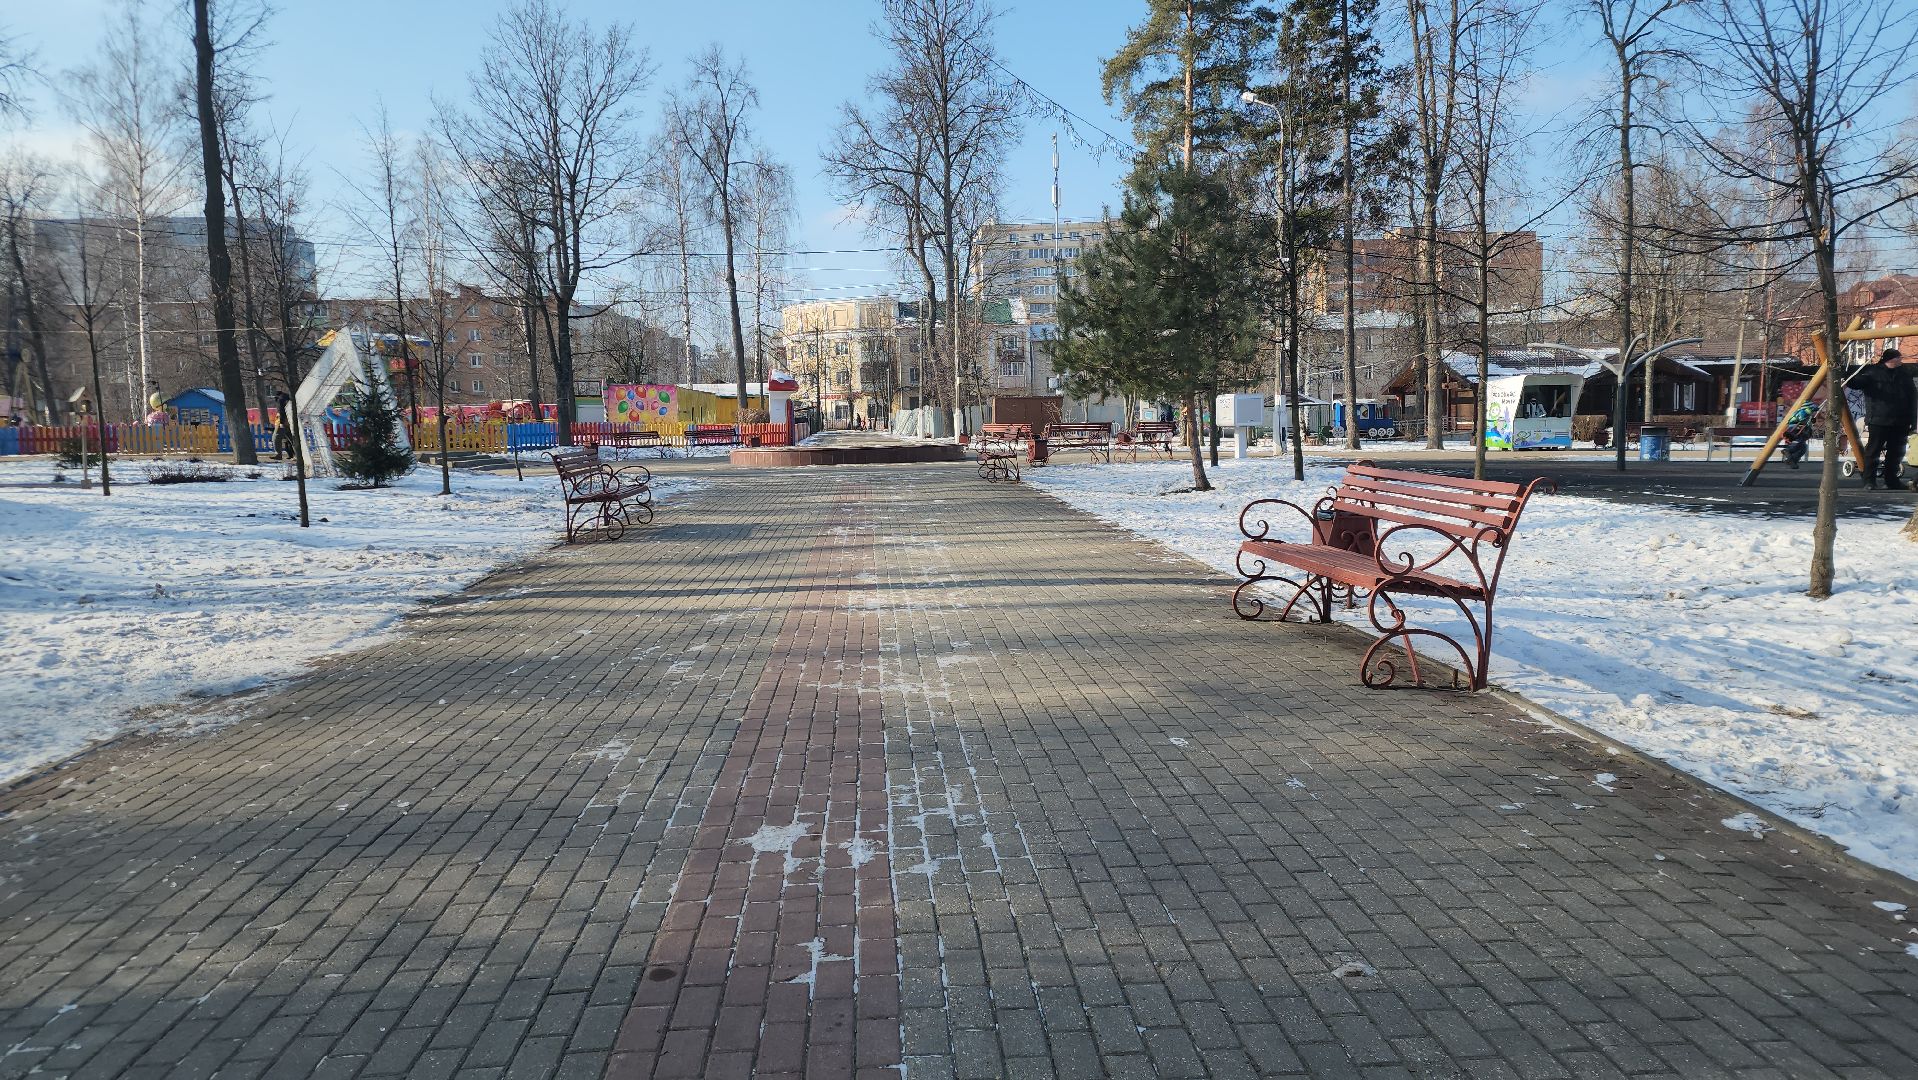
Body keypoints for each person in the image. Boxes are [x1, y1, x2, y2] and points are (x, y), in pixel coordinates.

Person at [1850, 347, 1916, 491]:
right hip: (1879, 419)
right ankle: (1869, 481)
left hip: (1901, 420)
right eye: (1898, 358)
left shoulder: (1904, 374)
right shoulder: (1873, 373)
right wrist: (1848, 375)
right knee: (1873, 451)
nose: (1901, 360)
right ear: (1891, 359)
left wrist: (1913, 421)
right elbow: (1856, 383)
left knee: (1896, 452)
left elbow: (1912, 397)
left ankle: (1891, 481)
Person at [272, 393, 296, 462]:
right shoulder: (288, 398)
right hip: (289, 421)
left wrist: (282, 422)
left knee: (276, 438)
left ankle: (278, 454)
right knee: (292, 439)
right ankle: (298, 455)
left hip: (282, 421)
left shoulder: (281, 399)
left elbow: (281, 411)